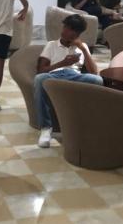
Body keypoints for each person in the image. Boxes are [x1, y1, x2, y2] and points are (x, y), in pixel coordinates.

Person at [34, 14, 104, 148]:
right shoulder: (51, 45)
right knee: (39, 79)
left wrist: (83, 49)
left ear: (77, 33)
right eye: (65, 27)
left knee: (98, 80)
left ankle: (89, 124)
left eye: (70, 29)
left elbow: (94, 72)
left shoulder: (82, 46)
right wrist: (62, 63)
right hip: (55, 76)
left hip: (74, 77)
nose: (65, 31)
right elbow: (40, 70)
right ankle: (46, 128)